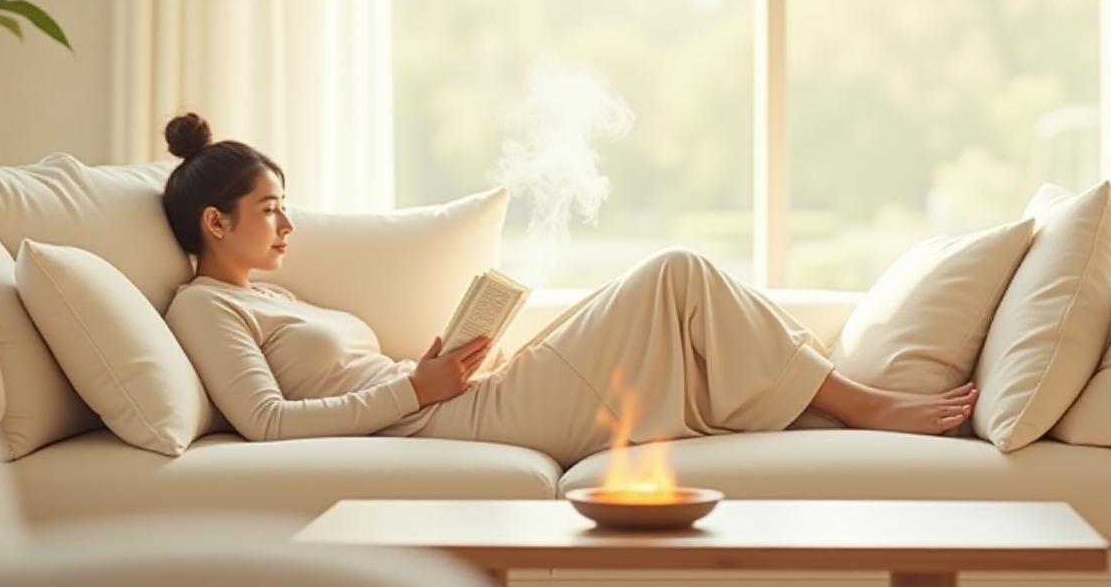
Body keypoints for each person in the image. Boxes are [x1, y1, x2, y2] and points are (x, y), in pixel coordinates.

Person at [160, 113, 977, 465]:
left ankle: (830, 403)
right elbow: (267, 424)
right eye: (271, 210)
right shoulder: (204, 308)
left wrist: (438, 365)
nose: (288, 225)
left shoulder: (284, 300)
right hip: (437, 425)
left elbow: (354, 381)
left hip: (444, 400)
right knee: (675, 273)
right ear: (215, 224)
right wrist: (417, 386)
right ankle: (860, 404)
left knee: (665, 309)